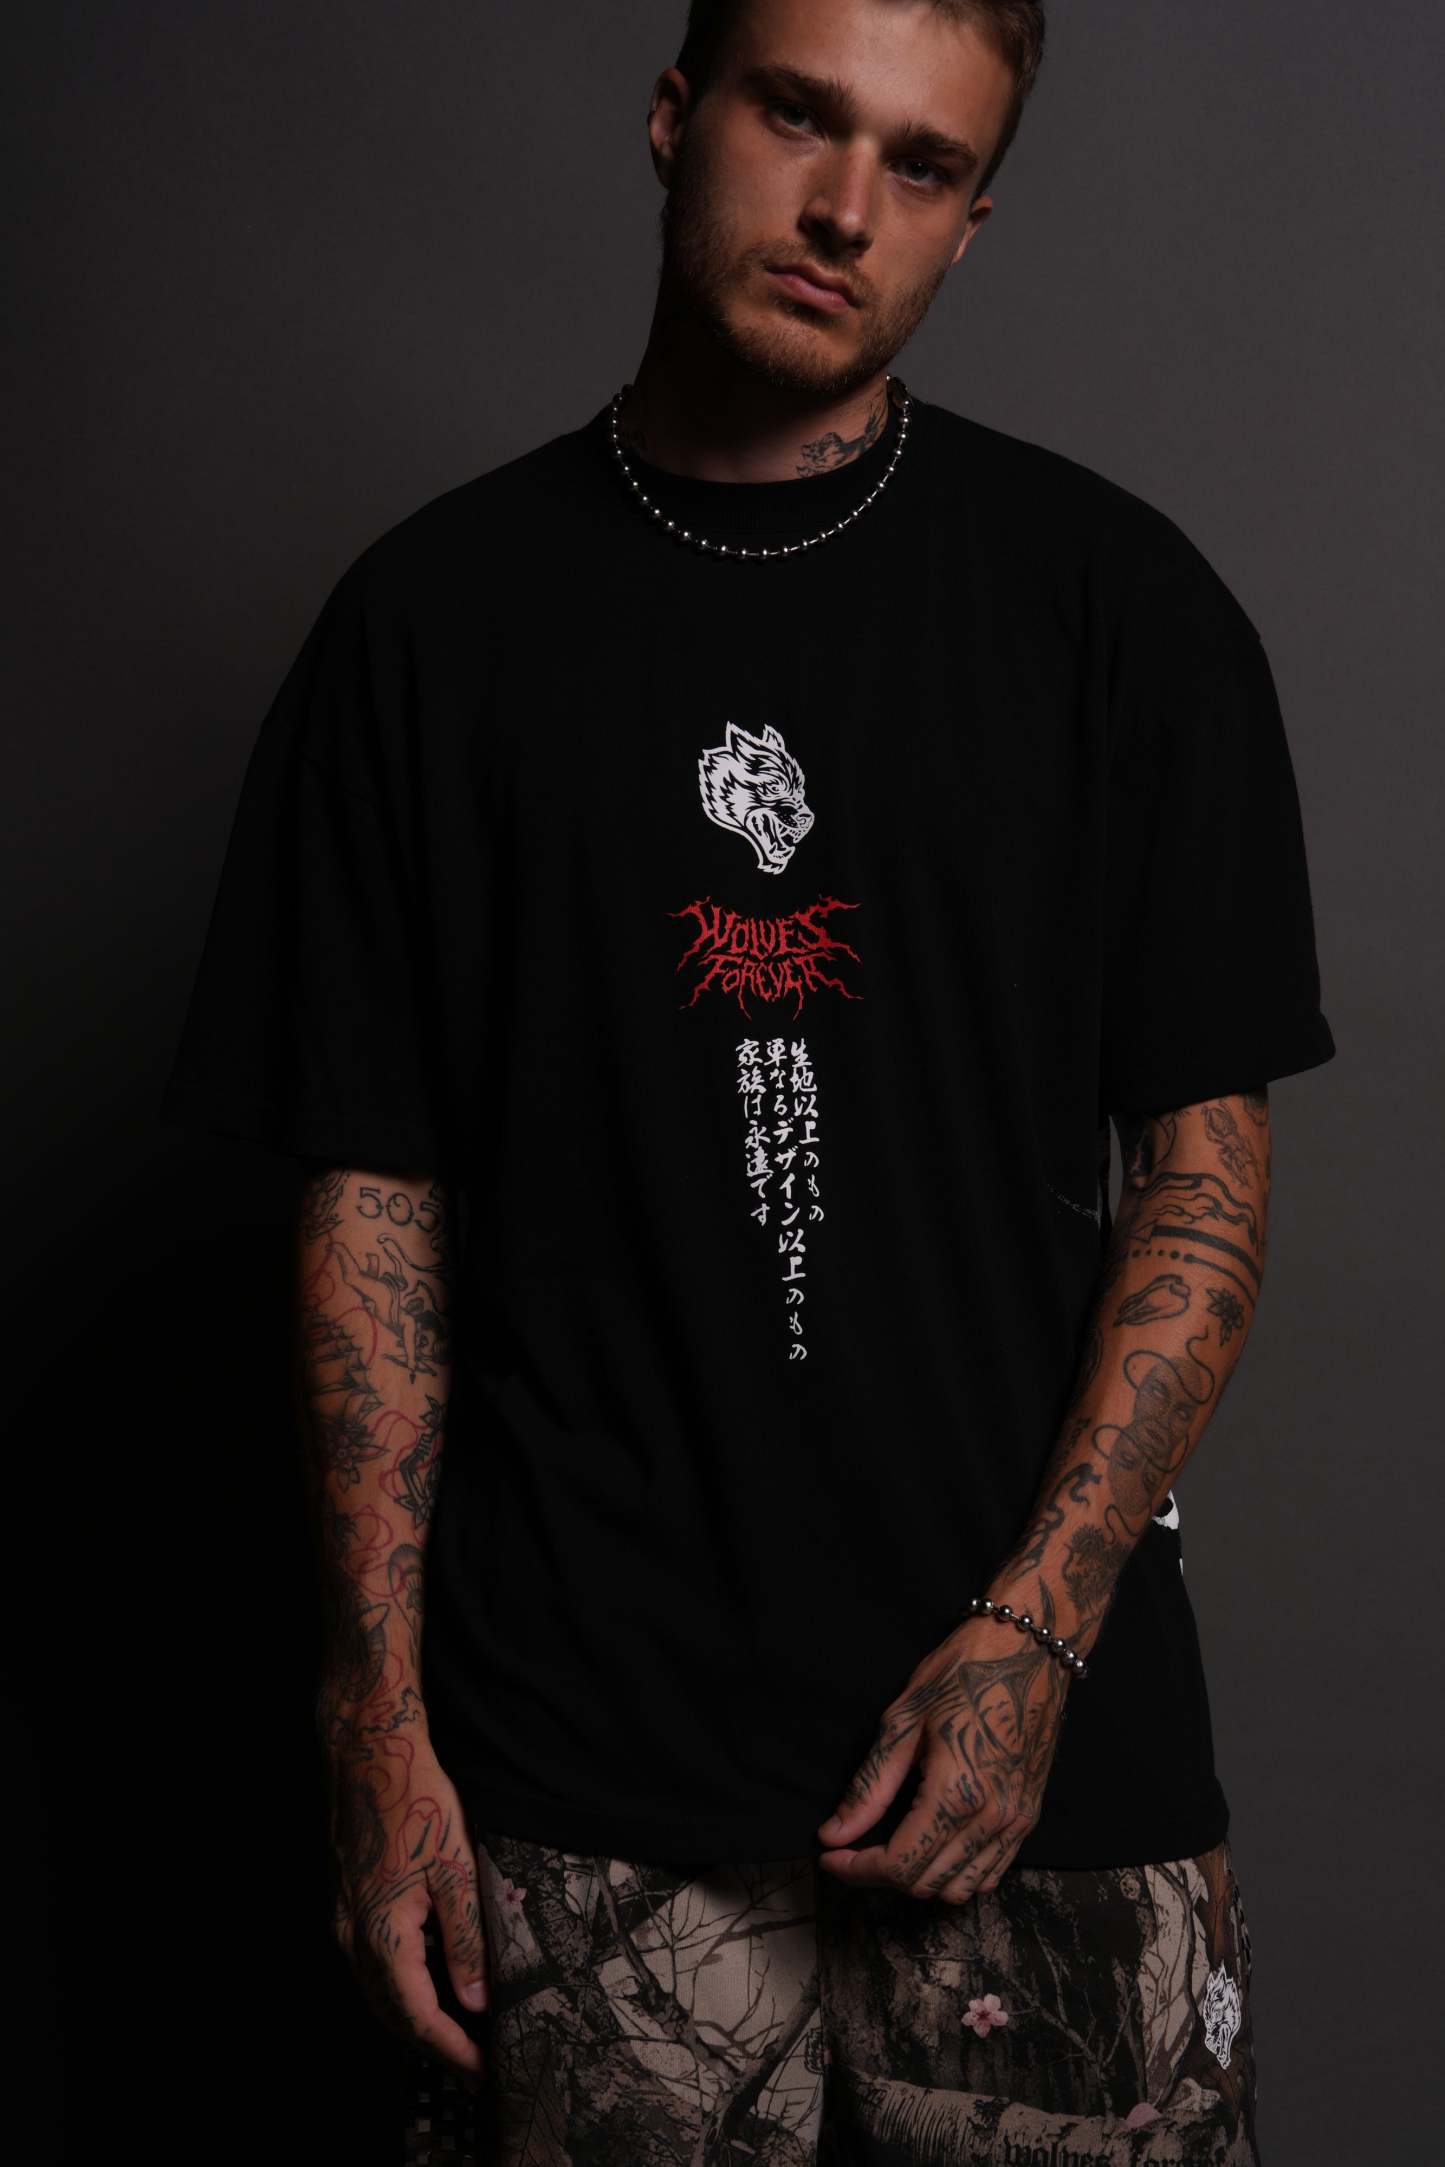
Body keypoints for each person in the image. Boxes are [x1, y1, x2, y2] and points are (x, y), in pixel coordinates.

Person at [160, 0, 1336, 2158]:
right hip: (574, 1807)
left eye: (922, 163)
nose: (843, 207)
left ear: (972, 222)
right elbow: (372, 1204)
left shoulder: (1121, 612)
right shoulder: (427, 628)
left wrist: (1035, 1631)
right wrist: (370, 1717)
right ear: (673, 110)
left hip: (1039, 1776)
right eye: (799, 114)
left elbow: (1201, 1174)